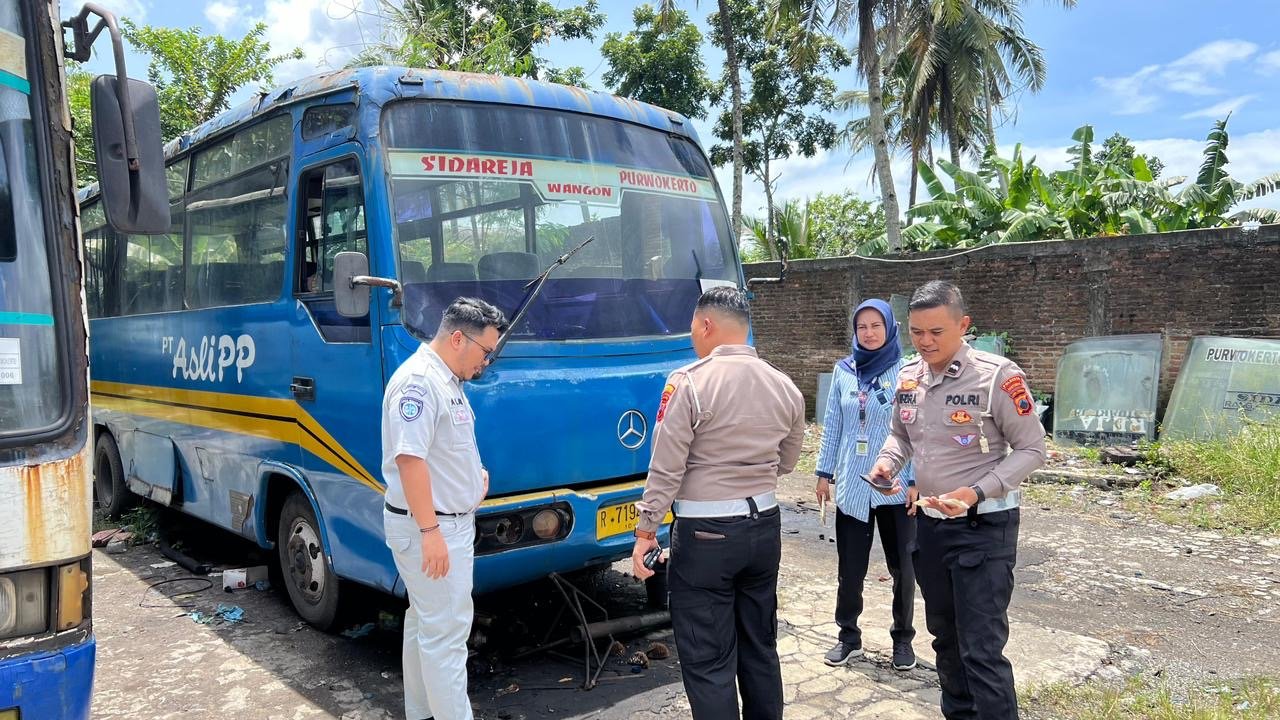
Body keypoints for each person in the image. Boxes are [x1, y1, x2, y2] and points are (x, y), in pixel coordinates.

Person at [869, 281, 1046, 720]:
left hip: (982, 530)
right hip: (930, 527)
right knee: (945, 640)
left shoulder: (997, 377)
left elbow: (1032, 449)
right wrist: (887, 464)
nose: (925, 342)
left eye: (937, 332)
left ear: (963, 325)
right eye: (916, 332)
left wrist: (976, 492)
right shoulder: (908, 377)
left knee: (981, 648)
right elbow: (900, 435)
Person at [631, 286, 806, 720]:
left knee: (708, 659)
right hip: (764, 526)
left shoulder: (689, 382)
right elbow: (787, 460)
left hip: (706, 536)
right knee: (760, 647)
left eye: (693, 327)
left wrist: (645, 531)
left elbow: (666, 468)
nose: (692, 336)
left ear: (707, 325)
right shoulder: (784, 384)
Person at [381, 296, 508, 720]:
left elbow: (441, 451)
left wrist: (475, 477)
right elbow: (409, 459)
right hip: (433, 530)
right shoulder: (418, 382)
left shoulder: (446, 380)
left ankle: (420, 713)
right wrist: (430, 531)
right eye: (486, 351)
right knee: (448, 638)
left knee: (425, 625)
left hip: (440, 524)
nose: (487, 362)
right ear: (458, 338)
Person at [814, 299, 917, 671]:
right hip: (853, 488)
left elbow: (916, 430)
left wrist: (916, 480)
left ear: (890, 328)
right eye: (862, 327)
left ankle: (903, 640)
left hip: (897, 485)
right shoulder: (844, 371)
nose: (869, 333)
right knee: (850, 568)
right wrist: (824, 474)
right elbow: (833, 427)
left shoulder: (908, 371)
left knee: (903, 569)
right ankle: (848, 637)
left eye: (876, 326)